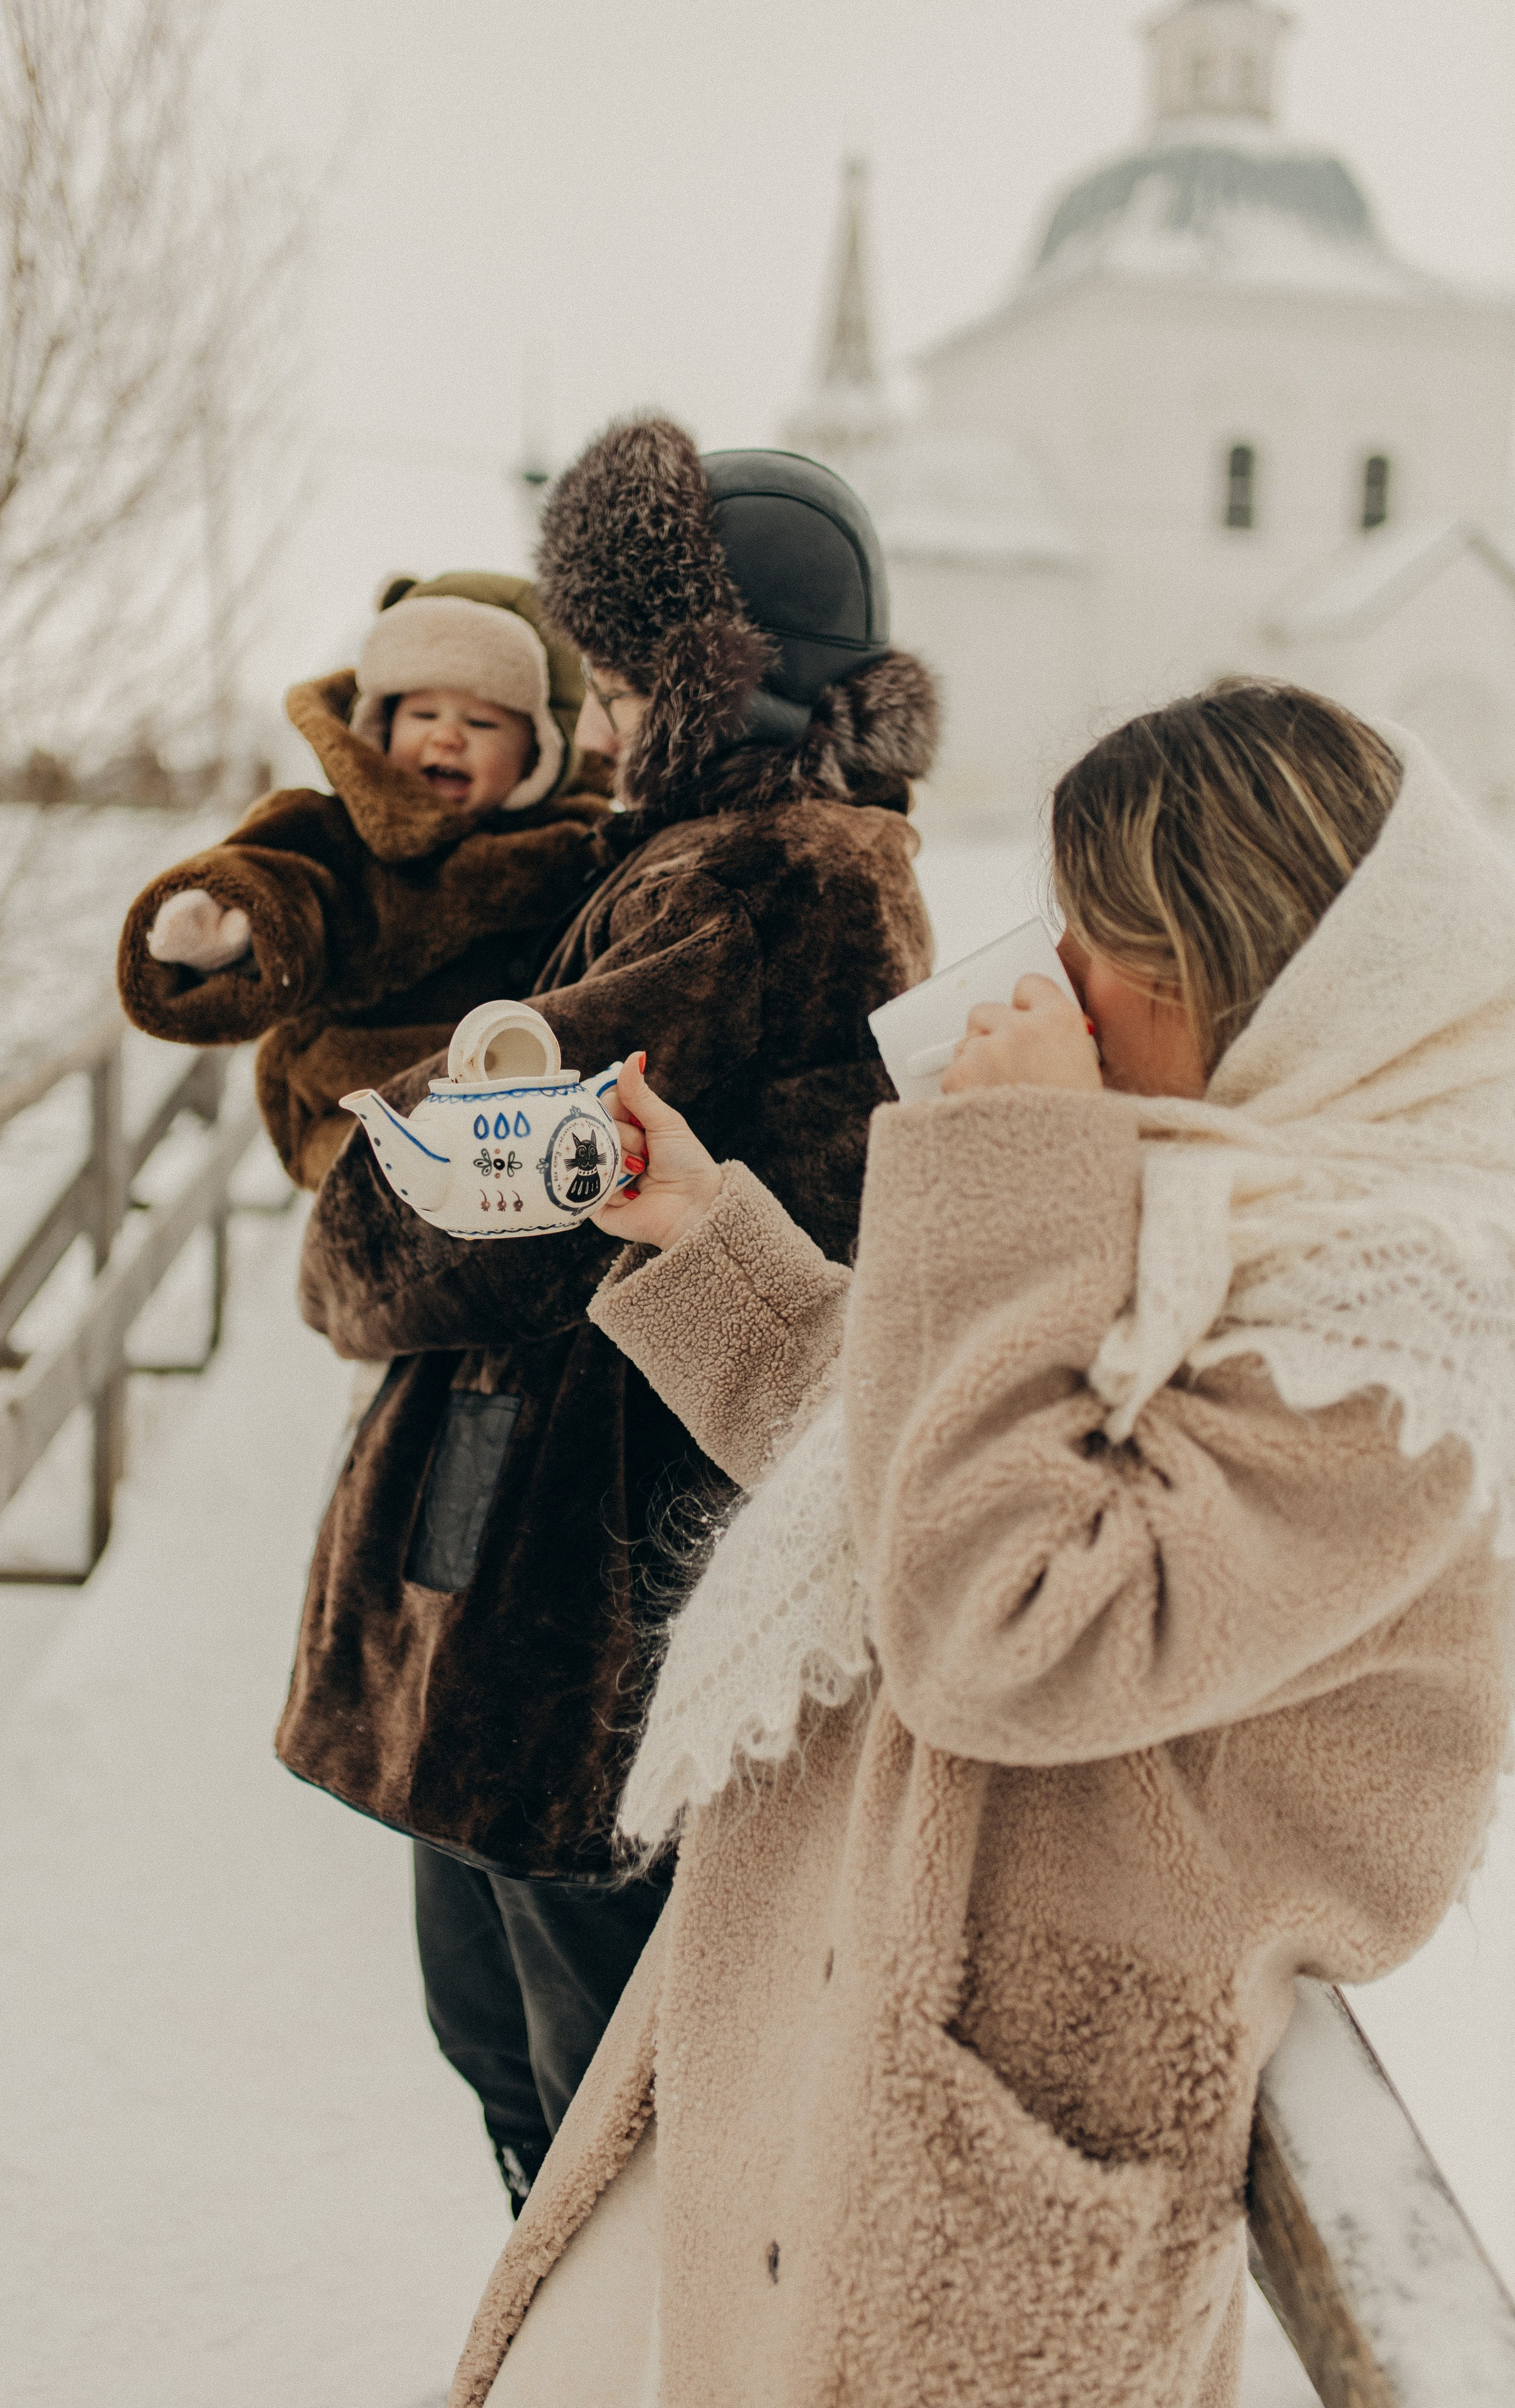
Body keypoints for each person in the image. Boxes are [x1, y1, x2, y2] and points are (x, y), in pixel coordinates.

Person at [454, 682, 1515, 2407]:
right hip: (810, 2027)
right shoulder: (1207, 1207)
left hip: (962, 2136)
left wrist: (1009, 1163)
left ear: (1251, 972)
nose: (1054, 979)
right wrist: (708, 1228)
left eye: (1103, 941)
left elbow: (1002, 1620)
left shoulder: (1392, 1336)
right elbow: (913, 1460)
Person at [280, 418, 937, 2212]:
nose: (609, 715)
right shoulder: (770, 851)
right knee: (534, 2053)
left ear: (719, 676)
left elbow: (460, 1187)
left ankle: (607, 2343)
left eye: (632, 674)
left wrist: (341, 1228)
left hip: (584, 1557)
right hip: (595, 1519)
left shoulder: (756, 870)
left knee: (578, 2092)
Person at [117, 574, 613, 1189]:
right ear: (380, 726)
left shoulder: (575, 848)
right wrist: (235, 928)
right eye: (423, 714)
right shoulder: (341, 834)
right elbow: (285, 880)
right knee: (385, 1212)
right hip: (359, 1116)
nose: (447, 735)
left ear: (539, 752)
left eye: (482, 723)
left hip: (524, 1140)